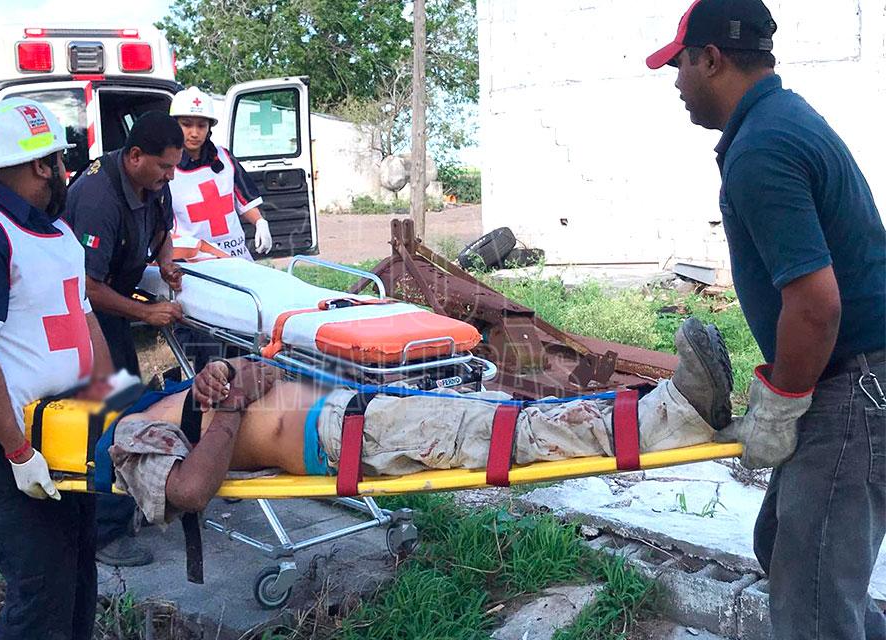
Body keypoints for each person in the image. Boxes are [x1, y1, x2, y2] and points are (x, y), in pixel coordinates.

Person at [646, 2, 886, 638]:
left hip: (853, 389)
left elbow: (815, 305)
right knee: (784, 546)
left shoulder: (762, 148)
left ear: (711, 59)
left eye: (679, 65)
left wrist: (779, 408)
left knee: (813, 606)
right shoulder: (783, 120)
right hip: (855, 378)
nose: (676, 82)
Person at [104, 318, 732, 525]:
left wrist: (231, 372)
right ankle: (671, 417)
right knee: (505, 435)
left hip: (355, 413)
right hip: (346, 436)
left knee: (509, 418)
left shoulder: (170, 397)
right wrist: (227, 407)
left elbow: (261, 375)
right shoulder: (130, 439)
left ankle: (666, 411)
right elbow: (189, 491)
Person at [0, 98, 114, 639]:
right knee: (41, 588)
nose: (66, 171)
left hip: (63, 428)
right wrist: (17, 450)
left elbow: (82, 317)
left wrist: (108, 405)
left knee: (77, 574)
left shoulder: (53, 230)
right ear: (41, 165)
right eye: (60, 160)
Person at [63, 110, 186, 567]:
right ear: (135, 156)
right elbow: (88, 288)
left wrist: (166, 262)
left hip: (112, 302)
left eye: (174, 167)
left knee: (132, 402)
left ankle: (128, 498)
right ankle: (105, 532)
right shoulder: (98, 198)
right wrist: (147, 312)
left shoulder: (154, 181)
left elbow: (162, 230)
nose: (170, 176)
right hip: (83, 314)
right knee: (110, 410)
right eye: (165, 166)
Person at [168, 86, 273, 371]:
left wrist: (259, 222)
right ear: (175, 125)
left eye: (201, 125)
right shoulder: (167, 167)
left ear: (209, 127)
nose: (194, 132)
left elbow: (243, 200)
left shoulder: (224, 159)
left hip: (236, 260)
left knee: (247, 334)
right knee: (207, 343)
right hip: (197, 267)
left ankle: (245, 381)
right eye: (186, 124)